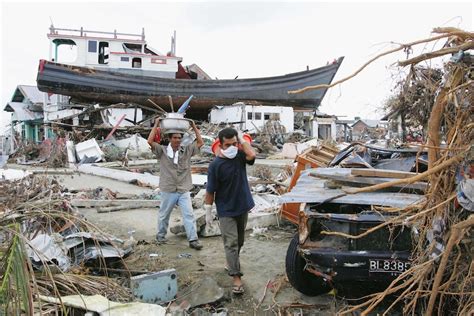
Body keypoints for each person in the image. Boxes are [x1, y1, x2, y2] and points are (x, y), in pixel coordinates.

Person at [204, 127, 256, 294]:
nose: (232, 147)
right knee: (231, 243)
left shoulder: (240, 156)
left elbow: (252, 155)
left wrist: (241, 140)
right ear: (221, 144)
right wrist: (208, 211)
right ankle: (236, 278)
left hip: (243, 206)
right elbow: (210, 191)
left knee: (239, 242)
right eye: (228, 144)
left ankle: (231, 262)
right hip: (226, 210)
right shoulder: (215, 166)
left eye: (235, 143)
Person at [147, 118, 204, 250]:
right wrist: (156, 124)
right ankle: (160, 236)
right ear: (170, 139)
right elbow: (150, 141)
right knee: (164, 214)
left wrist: (194, 126)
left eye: (179, 137)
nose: (178, 140)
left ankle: (193, 240)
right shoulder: (162, 151)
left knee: (189, 215)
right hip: (168, 189)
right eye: (175, 138)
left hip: (183, 189)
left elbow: (200, 142)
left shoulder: (187, 151)